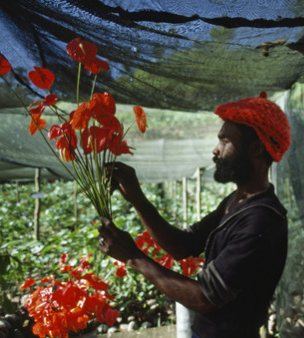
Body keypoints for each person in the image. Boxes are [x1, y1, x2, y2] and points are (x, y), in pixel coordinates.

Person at [97, 91, 292, 338]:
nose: (216, 150)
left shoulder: (261, 221)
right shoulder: (238, 201)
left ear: (255, 149)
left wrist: (134, 257)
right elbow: (184, 244)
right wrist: (136, 197)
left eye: (225, 141)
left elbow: (203, 298)